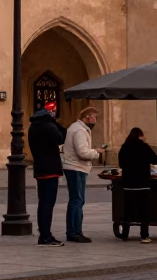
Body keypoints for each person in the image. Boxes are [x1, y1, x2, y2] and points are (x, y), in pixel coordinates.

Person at [61, 106, 102, 243]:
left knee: (75, 200)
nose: (95, 120)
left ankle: (73, 231)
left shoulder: (78, 128)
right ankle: (75, 232)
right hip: (76, 168)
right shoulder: (79, 130)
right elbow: (83, 153)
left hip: (75, 167)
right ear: (86, 117)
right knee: (77, 201)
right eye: (94, 117)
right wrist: (96, 152)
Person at [27, 104, 67, 246]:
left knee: (43, 203)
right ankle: (46, 236)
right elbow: (62, 137)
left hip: (39, 168)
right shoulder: (49, 126)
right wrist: (54, 122)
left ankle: (43, 234)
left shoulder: (33, 127)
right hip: (51, 169)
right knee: (48, 204)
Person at [117, 127, 157, 243]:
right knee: (144, 211)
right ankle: (144, 236)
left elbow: (120, 164)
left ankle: (125, 234)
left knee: (128, 210)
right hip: (143, 184)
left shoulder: (124, 147)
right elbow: (155, 160)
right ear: (140, 136)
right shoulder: (144, 147)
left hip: (128, 184)